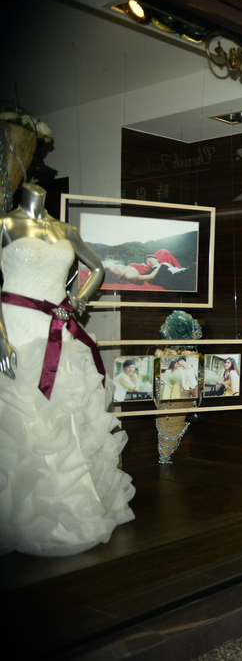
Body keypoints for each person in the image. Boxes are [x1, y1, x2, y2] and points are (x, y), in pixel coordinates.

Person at [0, 184, 136, 556]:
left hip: (60, 329)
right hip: (18, 329)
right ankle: (21, 515)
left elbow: (97, 268)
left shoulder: (65, 230)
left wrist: (77, 299)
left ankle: (75, 510)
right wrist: (1, 341)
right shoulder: (4, 225)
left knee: (69, 414)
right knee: (24, 417)